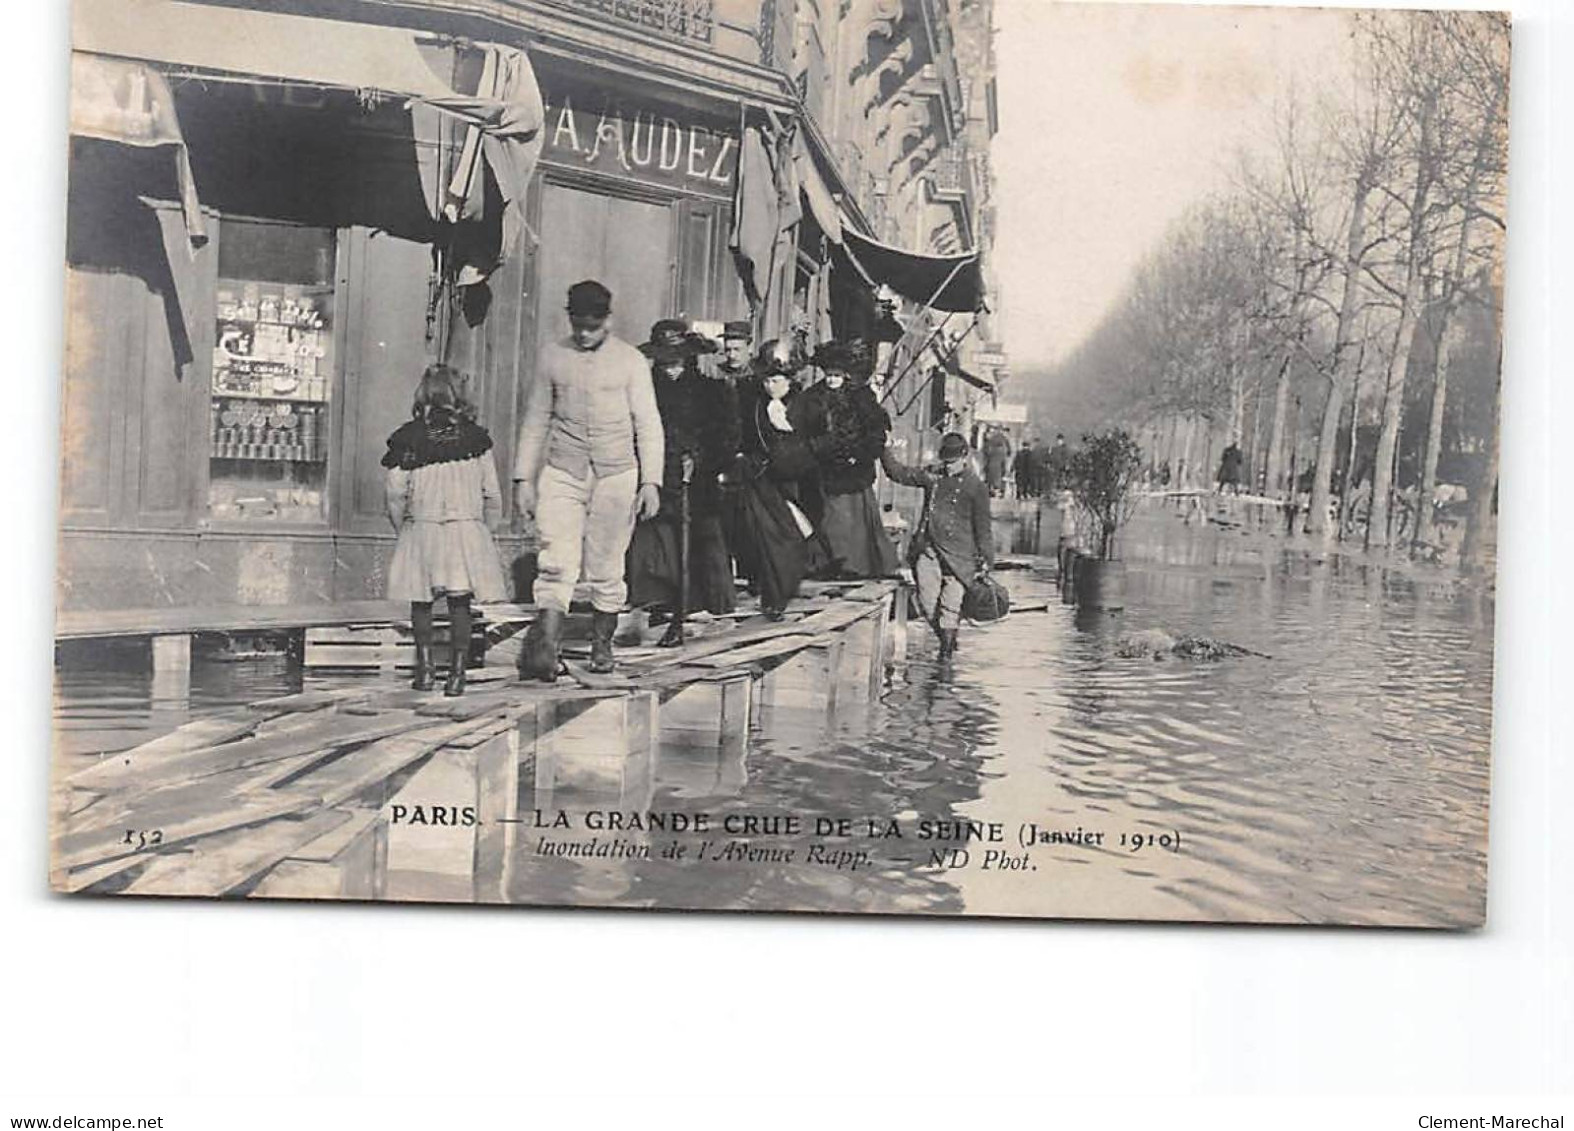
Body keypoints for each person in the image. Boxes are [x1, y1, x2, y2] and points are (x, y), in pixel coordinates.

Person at [513, 280, 664, 678]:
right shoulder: (552, 357)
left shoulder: (630, 362)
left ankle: (602, 644)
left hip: (616, 474)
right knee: (556, 558)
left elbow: (648, 423)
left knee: (607, 562)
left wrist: (651, 481)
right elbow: (536, 418)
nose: (583, 334)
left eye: (592, 327)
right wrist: (523, 479)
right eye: (577, 325)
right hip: (563, 469)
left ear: (608, 322)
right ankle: (545, 648)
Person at [382, 364, 509, 697]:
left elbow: (395, 492)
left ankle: (424, 672)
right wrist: (482, 531)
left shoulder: (408, 438)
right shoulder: (476, 440)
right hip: (464, 530)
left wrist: (403, 529)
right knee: (459, 603)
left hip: (421, 526)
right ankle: (457, 675)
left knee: (421, 601)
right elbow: (492, 494)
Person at [625, 319, 740, 641]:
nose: (670, 368)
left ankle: (697, 605)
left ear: (689, 357)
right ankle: (656, 602)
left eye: (676, 360)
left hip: (697, 484)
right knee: (655, 541)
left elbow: (728, 436)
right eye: (664, 361)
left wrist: (701, 459)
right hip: (654, 478)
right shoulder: (641, 390)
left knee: (699, 544)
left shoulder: (712, 391)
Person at [879, 432, 994, 660]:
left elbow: (983, 528)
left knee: (950, 607)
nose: (948, 466)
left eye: (952, 462)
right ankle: (948, 642)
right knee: (927, 603)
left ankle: (945, 660)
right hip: (929, 550)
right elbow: (899, 473)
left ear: (964, 457)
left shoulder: (976, 488)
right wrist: (881, 447)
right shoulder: (932, 476)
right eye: (946, 461)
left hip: (961, 559)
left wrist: (987, 560)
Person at [731, 338, 825, 619]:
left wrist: (796, 456)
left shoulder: (806, 405)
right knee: (765, 536)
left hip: (796, 483)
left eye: (776, 380)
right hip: (761, 479)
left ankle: (782, 588)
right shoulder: (757, 406)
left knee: (790, 536)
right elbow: (747, 438)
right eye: (766, 381)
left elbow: (819, 441)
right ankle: (772, 595)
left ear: (789, 379)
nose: (769, 386)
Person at [796, 339, 900, 579]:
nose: (831, 380)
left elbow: (875, 434)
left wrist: (859, 455)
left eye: (836, 375)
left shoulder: (861, 398)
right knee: (826, 521)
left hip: (853, 473)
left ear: (845, 374)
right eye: (828, 375)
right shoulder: (811, 398)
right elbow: (801, 431)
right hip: (821, 471)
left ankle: (853, 565)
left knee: (850, 523)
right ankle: (827, 565)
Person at [983, 427, 1011, 498]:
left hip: (991, 465)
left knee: (990, 478)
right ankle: (1000, 491)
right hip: (999, 465)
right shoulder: (1004, 440)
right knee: (1001, 477)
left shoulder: (991, 440)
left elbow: (985, 452)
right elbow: (1009, 452)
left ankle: (991, 491)